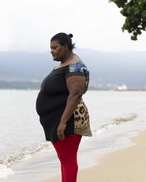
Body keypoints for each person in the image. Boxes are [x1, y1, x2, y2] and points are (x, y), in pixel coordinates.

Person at [36, 32, 92, 182]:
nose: (52, 51)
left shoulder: (75, 66)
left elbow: (76, 94)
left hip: (69, 120)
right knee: (65, 159)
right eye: (50, 48)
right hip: (60, 119)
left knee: (68, 160)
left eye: (55, 48)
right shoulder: (64, 64)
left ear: (65, 47)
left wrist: (63, 122)